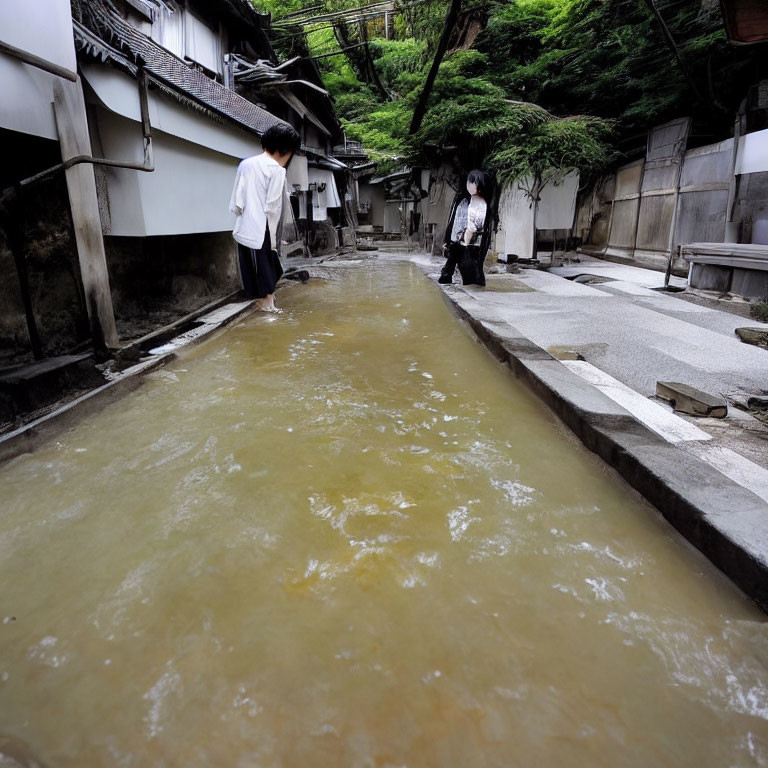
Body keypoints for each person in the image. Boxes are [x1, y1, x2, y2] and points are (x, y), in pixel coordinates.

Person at [230, 123, 301, 312]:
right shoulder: (277, 169)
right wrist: (276, 235)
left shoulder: (245, 164)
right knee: (267, 265)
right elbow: (274, 206)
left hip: (245, 224)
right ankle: (268, 305)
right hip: (264, 227)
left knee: (253, 267)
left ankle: (265, 301)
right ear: (285, 150)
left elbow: (237, 200)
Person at [438, 169, 489, 287]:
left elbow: (473, 225)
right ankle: (447, 276)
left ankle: (448, 277)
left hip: (469, 242)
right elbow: (454, 221)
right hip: (460, 241)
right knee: (457, 265)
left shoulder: (477, 202)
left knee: (470, 271)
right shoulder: (463, 200)